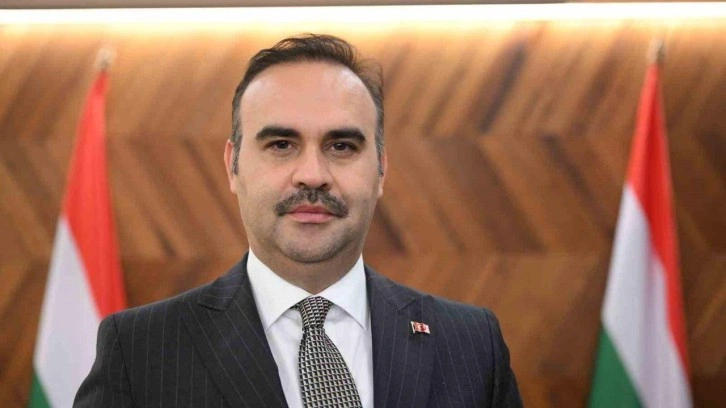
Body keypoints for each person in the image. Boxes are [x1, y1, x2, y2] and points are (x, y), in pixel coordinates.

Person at [74, 34, 522, 408]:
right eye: (281, 145)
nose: (312, 175)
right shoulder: (139, 351)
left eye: (342, 146)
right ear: (233, 166)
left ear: (381, 170)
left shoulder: (472, 344)